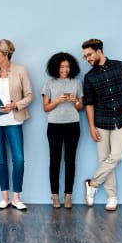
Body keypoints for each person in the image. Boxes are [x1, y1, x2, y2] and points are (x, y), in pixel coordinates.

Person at [81, 39, 122, 211]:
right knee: (104, 160)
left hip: (121, 119)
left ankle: (92, 184)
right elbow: (89, 103)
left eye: (89, 54)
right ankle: (112, 197)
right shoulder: (89, 77)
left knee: (116, 157)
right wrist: (91, 126)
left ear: (99, 51)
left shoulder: (121, 67)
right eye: (85, 57)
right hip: (101, 122)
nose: (88, 59)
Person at [0, 39, 33, 210]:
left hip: (14, 120)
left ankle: (17, 197)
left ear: (5, 54)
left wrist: (15, 105)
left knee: (19, 159)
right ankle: (5, 197)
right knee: (0, 160)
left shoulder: (21, 71)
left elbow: (30, 96)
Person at [42, 52, 83, 209]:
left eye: (67, 66)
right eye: (62, 67)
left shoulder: (77, 83)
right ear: (56, 68)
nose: (65, 69)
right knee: (55, 160)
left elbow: (81, 107)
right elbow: (45, 108)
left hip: (73, 124)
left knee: (70, 160)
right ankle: (55, 196)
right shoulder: (49, 83)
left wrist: (76, 101)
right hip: (54, 125)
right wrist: (58, 100)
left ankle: (68, 195)